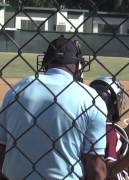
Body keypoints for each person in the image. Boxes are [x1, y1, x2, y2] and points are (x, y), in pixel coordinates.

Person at [0, 36, 108, 179]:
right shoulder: (91, 98)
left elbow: (1, 148)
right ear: (77, 66)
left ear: (45, 62)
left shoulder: (17, 90)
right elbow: (95, 168)